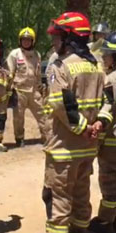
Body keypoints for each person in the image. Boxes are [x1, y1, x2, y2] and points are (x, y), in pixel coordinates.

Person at [43, 12, 111, 233]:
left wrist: (83, 128)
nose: (53, 42)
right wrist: (99, 124)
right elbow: (108, 102)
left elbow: (62, 104)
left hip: (64, 151)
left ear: (69, 38)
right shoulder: (98, 67)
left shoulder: (59, 67)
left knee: (58, 203)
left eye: (57, 37)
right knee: (81, 201)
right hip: (87, 149)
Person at [88, 32, 116, 233]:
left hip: (112, 146)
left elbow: (108, 114)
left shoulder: (111, 80)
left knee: (110, 185)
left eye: (107, 54)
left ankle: (105, 222)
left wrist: (95, 145)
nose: (104, 57)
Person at [6, 27, 47, 147]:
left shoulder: (37, 55)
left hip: (34, 90)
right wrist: (8, 89)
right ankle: (19, 138)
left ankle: (46, 136)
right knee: (18, 117)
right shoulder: (14, 54)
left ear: (33, 41)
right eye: (24, 40)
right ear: (20, 40)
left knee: (42, 114)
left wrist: (40, 87)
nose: (26, 42)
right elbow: (10, 72)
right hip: (19, 90)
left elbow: (38, 73)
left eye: (29, 40)